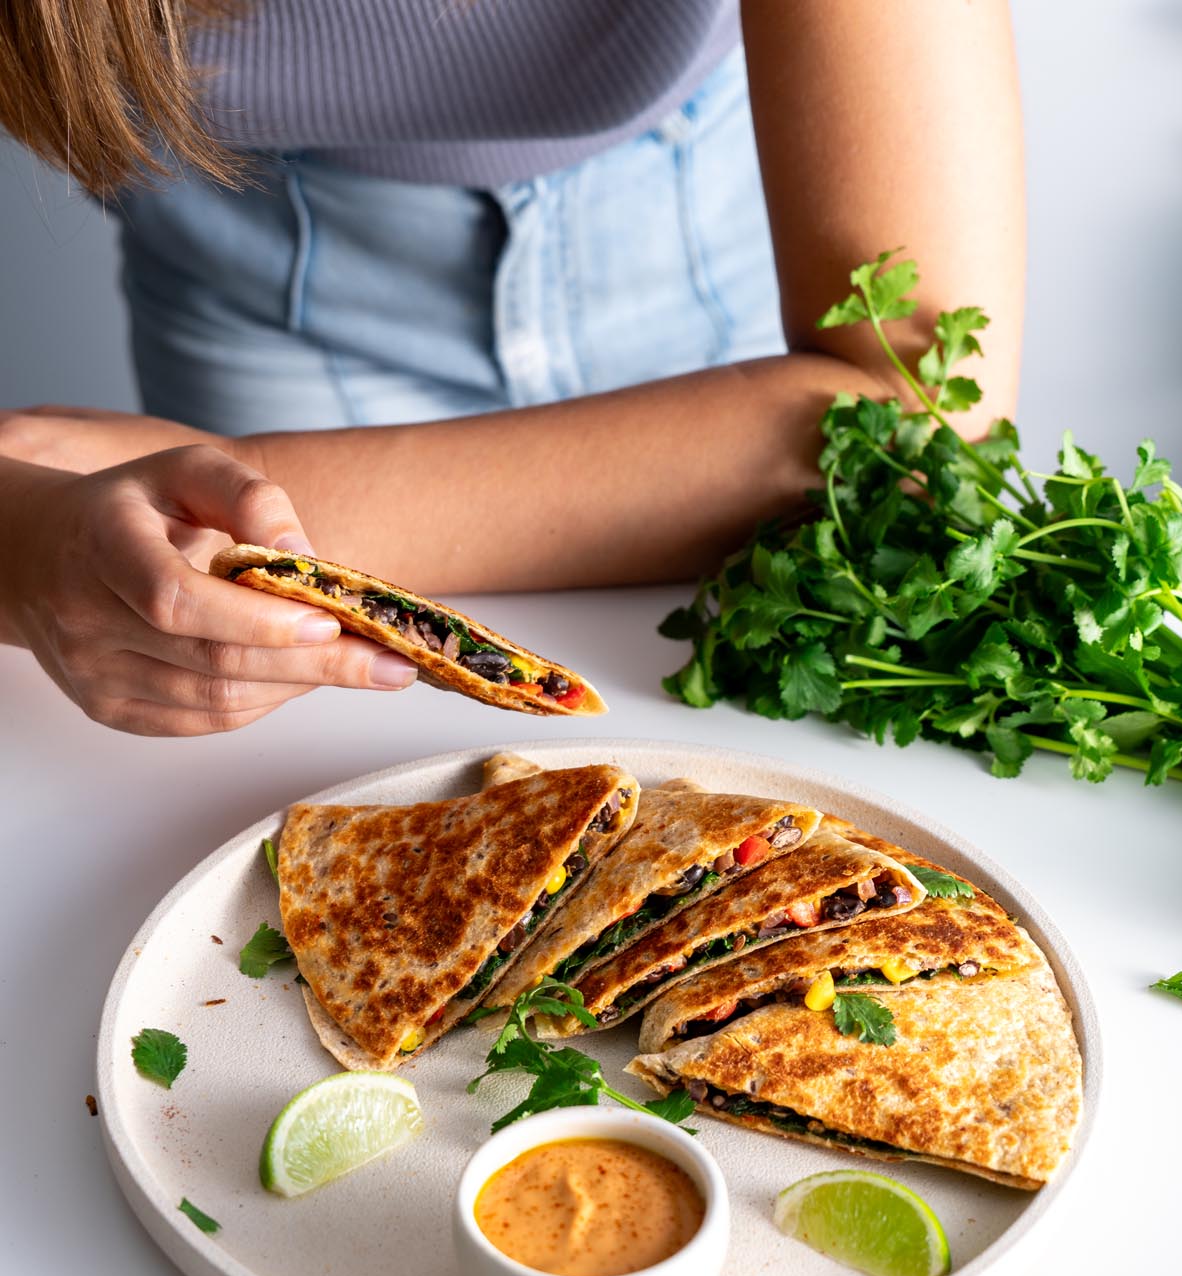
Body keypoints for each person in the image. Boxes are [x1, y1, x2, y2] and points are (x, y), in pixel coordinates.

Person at [0, 0, 1024, 737]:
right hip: (252, 271)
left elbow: (906, 423)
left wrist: (229, 477)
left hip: (707, 228)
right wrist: (27, 546)